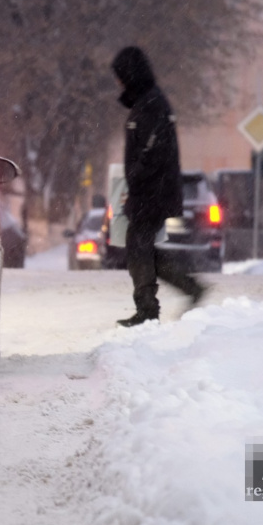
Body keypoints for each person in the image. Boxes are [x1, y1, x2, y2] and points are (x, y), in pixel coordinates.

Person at [111, 46, 206, 327]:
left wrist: (137, 177)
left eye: (120, 76)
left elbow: (153, 152)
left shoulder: (151, 104)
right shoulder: (147, 102)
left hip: (152, 191)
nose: (118, 82)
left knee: (139, 247)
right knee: (143, 248)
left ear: (130, 74)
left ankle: (149, 309)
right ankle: (182, 290)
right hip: (149, 189)